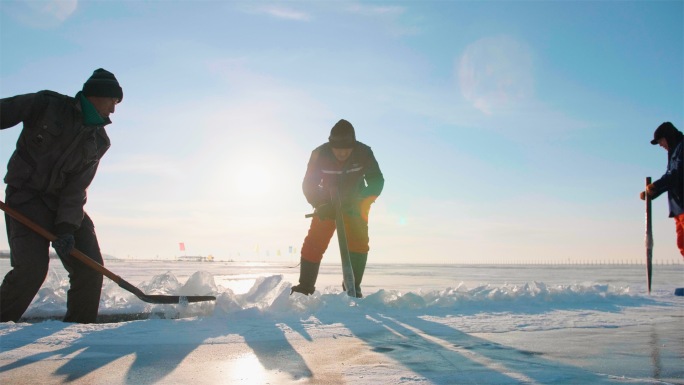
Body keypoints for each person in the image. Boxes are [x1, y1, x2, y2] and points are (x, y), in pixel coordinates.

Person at [0, 68, 123, 323]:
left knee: (90, 268)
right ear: (97, 95)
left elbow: (76, 188)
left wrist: (66, 227)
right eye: (113, 100)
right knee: (31, 271)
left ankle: (78, 328)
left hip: (64, 205)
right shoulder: (47, 105)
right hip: (26, 199)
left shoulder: (99, 140)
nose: (113, 109)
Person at [291, 119, 384, 298]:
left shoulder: (364, 152)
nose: (342, 153)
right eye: (337, 149)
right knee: (314, 243)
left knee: (358, 244)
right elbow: (309, 184)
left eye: (346, 149)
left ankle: (352, 286)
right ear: (330, 145)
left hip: (355, 206)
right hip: (327, 206)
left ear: (353, 145)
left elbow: (376, 180)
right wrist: (320, 204)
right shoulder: (319, 154)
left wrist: (361, 201)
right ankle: (305, 286)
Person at [641, 122, 684, 259]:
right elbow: (669, 176)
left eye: (660, 141)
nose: (660, 145)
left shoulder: (682, 148)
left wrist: (656, 186)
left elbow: (676, 174)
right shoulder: (674, 152)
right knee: (682, 244)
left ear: (668, 137)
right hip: (678, 208)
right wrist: (652, 193)